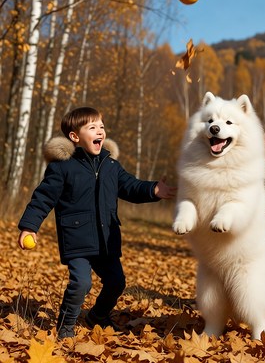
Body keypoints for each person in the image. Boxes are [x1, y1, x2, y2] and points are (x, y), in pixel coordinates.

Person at [18, 107, 176, 339]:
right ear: (75, 137)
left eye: (101, 126)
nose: (100, 131)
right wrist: (29, 226)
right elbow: (43, 197)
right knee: (81, 283)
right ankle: (66, 326)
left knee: (116, 282)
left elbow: (131, 186)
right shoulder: (62, 167)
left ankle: (98, 315)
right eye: (92, 127)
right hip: (77, 239)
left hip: (106, 239)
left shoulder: (111, 166)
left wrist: (152, 189)